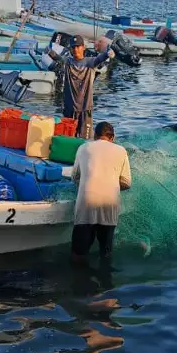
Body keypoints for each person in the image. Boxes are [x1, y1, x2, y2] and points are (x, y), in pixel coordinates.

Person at [70, 121, 132, 263]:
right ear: (113, 137)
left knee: (78, 254)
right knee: (106, 253)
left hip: (87, 202)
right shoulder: (122, 151)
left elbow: (75, 177)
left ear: (94, 136)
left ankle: (77, 280)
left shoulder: (83, 147)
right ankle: (105, 281)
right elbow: (127, 183)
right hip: (110, 203)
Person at [49, 35, 114, 139]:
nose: (75, 49)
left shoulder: (90, 62)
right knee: (68, 139)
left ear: (83, 47)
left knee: (85, 140)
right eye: (73, 47)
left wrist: (107, 54)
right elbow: (59, 59)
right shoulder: (68, 62)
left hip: (85, 110)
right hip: (69, 110)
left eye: (78, 46)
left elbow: (99, 59)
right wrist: (49, 52)